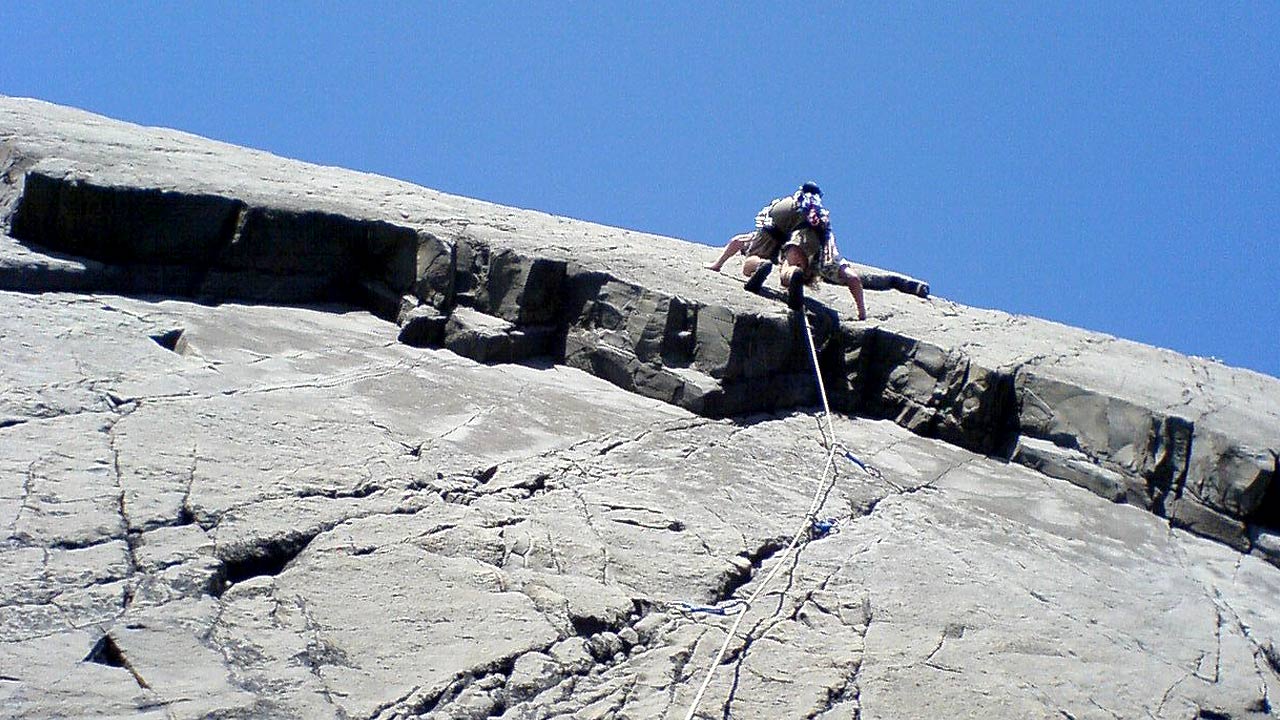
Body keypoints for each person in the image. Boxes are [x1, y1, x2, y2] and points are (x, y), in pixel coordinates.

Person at [707, 182, 847, 312]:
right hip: (800, 237)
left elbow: (737, 241)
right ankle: (793, 273)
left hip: (771, 230)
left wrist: (717, 264)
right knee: (787, 269)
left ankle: (760, 264)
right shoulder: (816, 213)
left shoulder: (789, 202)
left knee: (750, 263)